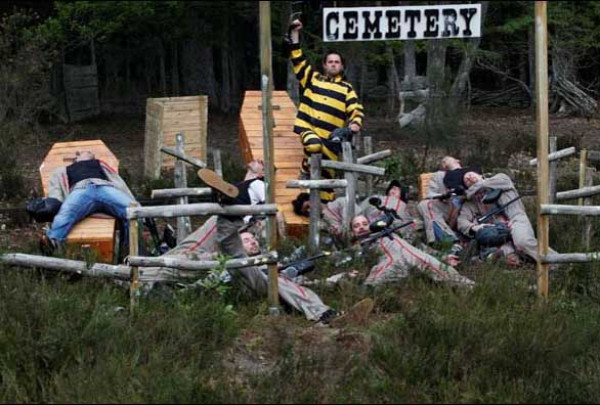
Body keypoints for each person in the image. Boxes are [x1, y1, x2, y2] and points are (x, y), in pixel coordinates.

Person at [197, 167, 352, 325]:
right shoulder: (236, 258)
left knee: (296, 280)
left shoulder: (266, 255)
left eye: (253, 240)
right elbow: (229, 248)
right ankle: (323, 313)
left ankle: (226, 204)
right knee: (237, 253)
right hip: (242, 277)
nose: (253, 242)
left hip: (266, 280)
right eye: (247, 241)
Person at [288, 19, 364, 202]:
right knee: (313, 146)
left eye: (337, 62)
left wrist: (354, 124)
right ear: (324, 65)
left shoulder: (347, 88)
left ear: (342, 66)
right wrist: (295, 35)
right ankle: (305, 169)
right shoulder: (312, 79)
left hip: (331, 138)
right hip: (310, 129)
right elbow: (298, 60)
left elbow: (356, 109)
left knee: (326, 184)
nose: (333, 64)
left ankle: (323, 217)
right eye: (330, 61)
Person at [42, 150, 137, 251]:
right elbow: (56, 189)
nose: (82, 153)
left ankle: (130, 250)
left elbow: (118, 182)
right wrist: (54, 204)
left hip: (104, 186)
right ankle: (52, 242)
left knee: (132, 211)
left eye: (87, 153)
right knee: (66, 213)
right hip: (81, 189)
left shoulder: (98, 164)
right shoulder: (65, 169)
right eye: (80, 154)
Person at [457, 171, 556, 264]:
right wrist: (475, 227)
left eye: (470, 174)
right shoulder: (472, 202)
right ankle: (528, 265)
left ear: (480, 174)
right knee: (508, 255)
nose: (469, 178)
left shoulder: (500, 178)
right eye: (466, 180)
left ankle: (557, 262)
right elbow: (462, 221)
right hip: (499, 230)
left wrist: (470, 191)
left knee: (523, 242)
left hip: (516, 218)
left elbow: (485, 184)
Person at [351, 214, 474, 287]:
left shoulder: (391, 233)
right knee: (373, 282)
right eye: (356, 226)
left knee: (437, 267)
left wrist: (443, 257)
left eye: (364, 224)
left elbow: (420, 248)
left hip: (414, 257)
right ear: (352, 232)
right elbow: (354, 265)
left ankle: (472, 288)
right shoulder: (355, 249)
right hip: (391, 263)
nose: (361, 227)